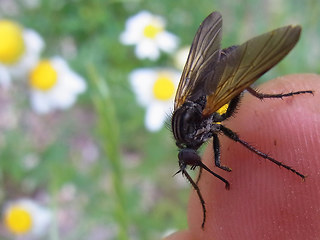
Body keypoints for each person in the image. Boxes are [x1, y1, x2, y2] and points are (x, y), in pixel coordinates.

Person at [164, 74, 320, 240]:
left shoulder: (196, 128)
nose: (196, 163)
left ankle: (269, 104)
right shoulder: (189, 129)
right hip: (207, 83)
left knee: (236, 123)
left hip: (218, 83)